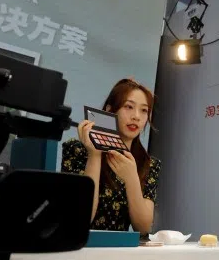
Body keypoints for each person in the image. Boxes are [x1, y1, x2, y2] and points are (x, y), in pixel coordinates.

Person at [61, 78, 161, 234]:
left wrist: (131, 178)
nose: (136, 116)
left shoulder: (148, 163)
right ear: (110, 110)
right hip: (79, 247)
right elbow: (81, 218)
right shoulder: (77, 149)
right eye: (128, 107)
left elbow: (143, 229)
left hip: (119, 252)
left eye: (144, 110)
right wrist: (94, 156)